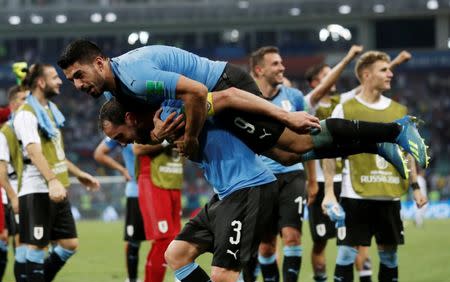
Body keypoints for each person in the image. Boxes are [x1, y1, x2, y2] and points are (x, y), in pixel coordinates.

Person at [57, 40, 428, 173]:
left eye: (79, 75)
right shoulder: (113, 95)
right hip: (211, 95)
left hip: (224, 84)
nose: (76, 85)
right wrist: (162, 133)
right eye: (71, 80)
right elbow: (150, 130)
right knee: (284, 158)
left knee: (296, 143)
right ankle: (376, 144)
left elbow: (199, 92)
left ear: (101, 62)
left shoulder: (136, 77)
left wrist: (187, 136)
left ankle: (395, 130)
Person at [99, 97, 280, 282]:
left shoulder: (176, 108)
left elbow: (208, 99)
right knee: (176, 254)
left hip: (248, 187)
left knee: (223, 277)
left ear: (130, 119)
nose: (122, 144)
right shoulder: (163, 120)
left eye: (119, 136)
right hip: (224, 193)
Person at [305, 49, 414, 282]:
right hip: (355, 195)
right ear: (366, 74)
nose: (391, 74)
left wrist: (415, 186)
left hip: (389, 195)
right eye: (384, 70)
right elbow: (329, 152)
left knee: (389, 256)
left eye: (390, 69)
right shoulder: (344, 106)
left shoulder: (399, 111)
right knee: (344, 253)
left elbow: (410, 150)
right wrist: (330, 193)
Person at [13, 63, 100, 282]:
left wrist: (79, 174)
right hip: (37, 190)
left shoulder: (49, 111)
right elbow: (33, 151)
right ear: (41, 83)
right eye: (54, 77)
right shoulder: (26, 114)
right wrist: (52, 180)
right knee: (36, 248)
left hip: (56, 187)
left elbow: (56, 154)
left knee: (70, 244)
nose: (60, 81)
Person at [246, 46, 317, 282]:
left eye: (281, 62)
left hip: (292, 174)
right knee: (266, 246)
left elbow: (309, 141)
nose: (282, 67)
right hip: (260, 178)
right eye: (275, 64)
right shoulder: (246, 98)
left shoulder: (294, 97)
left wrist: (313, 181)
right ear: (259, 69)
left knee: (292, 237)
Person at [94, 139, 145, 282]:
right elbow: (99, 153)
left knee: (161, 239)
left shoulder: (156, 122)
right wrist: (122, 170)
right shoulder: (123, 129)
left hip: (158, 189)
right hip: (135, 191)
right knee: (133, 239)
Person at [132, 142, 183, 282]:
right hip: (153, 179)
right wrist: (168, 139)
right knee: (164, 240)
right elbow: (138, 148)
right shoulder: (150, 119)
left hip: (174, 180)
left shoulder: (184, 120)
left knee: (171, 240)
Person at [0, 85, 28, 282]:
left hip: (21, 187)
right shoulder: (5, 129)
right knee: (4, 239)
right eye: (21, 100)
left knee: (21, 241)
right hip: (5, 190)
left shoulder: (26, 124)